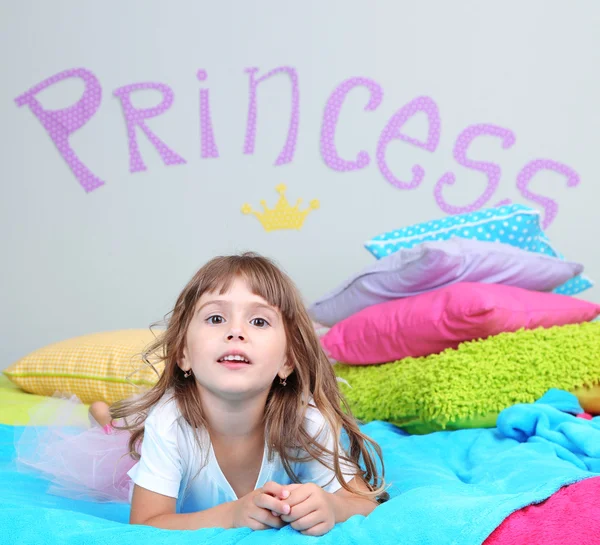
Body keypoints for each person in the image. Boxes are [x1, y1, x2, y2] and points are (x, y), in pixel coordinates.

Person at [20, 252, 388, 537]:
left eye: (258, 321)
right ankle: (103, 417)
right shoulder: (170, 422)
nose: (236, 332)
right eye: (216, 318)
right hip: (152, 434)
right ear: (183, 355)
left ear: (288, 361)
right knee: (121, 446)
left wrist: (332, 506)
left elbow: (361, 500)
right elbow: (146, 522)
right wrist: (231, 515)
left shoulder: (306, 421)